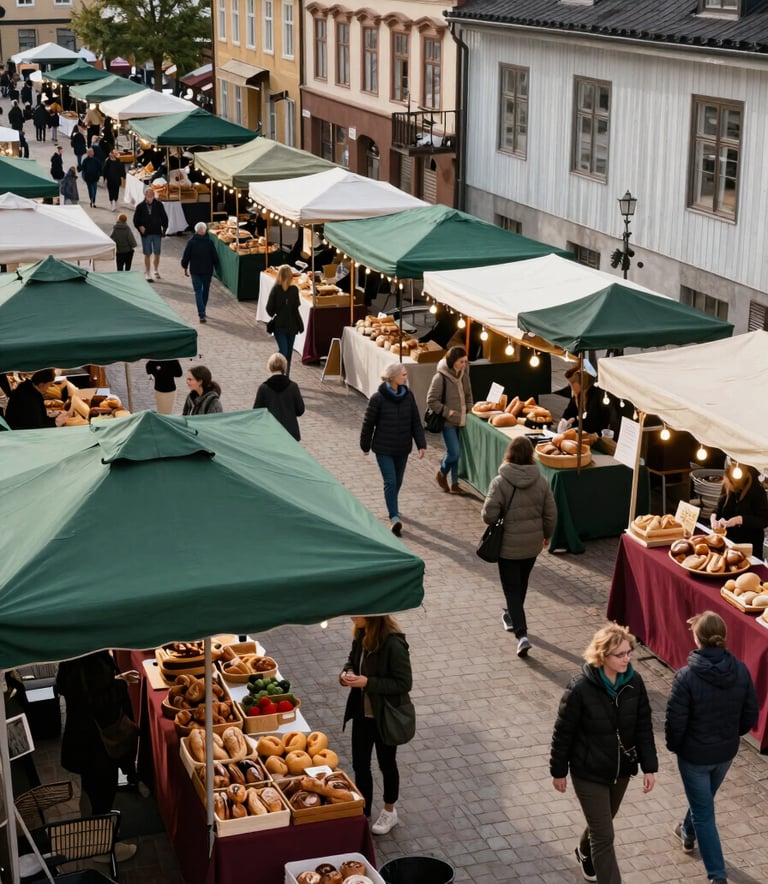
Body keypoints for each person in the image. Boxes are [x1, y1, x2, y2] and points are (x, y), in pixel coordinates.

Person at [550, 623, 658, 884]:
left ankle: (584, 852)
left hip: (620, 770)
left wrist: (650, 766)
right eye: (619, 654)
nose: (627, 658)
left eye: (628, 652)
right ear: (602, 656)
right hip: (588, 772)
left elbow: (644, 725)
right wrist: (558, 771)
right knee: (605, 836)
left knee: (603, 822)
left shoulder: (634, 682)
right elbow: (563, 732)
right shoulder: (579, 689)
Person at [665, 611, 757, 884]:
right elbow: (750, 713)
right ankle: (687, 833)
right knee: (702, 802)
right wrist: (732, 735)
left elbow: (675, 722)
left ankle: (717, 875)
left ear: (697, 638)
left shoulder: (686, 677)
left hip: (694, 756)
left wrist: (678, 747)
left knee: (704, 812)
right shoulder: (741, 669)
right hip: (725, 753)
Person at [56, 651, 141, 863]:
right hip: (95, 743)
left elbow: (73, 687)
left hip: (82, 738)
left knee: (90, 789)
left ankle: (88, 832)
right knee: (102, 792)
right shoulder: (89, 657)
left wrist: (116, 680)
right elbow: (100, 701)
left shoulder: (74, 655)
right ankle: (102, 849)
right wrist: (121, 686)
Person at [481, 436, 556, 656]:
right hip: (532, 546)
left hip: (508, 546)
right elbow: (551, 514)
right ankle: (513, 616)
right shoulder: (541, 481)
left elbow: (488, 515)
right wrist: (547, 535)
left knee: (512, 589)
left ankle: (521, 634)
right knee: (521, 584)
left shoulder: (499, 482)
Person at [340, 614, 413, 835]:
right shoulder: (361, 634)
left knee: (386, 764)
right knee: (360, 765)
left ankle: (390, 811)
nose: (352, 617)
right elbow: (352, 660)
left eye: (356, 613)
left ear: (371, 615)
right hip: (362, 714)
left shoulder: (393, 643)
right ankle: (364, 812)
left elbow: (404, 683)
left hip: (384, 717)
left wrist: (368, 683)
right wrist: (347, 673)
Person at [360, 362, 426, 536]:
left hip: (402, 448)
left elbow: (415, 422)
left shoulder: (408, 396)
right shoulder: (378, 399)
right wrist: (365, 446)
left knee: (398, 481)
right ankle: (394, 517)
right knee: (390, 481)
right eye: (403, 374)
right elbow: (368, 424)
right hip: (383, 449)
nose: (406, 377)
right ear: (393, 377)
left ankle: (392, 505)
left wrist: (421, 444)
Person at [426, 345, 473, 494]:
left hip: (462, 420)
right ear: (453, 361)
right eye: (461, 362)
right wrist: (447, 412)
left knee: (456, 454)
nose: (464, 365)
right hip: (448, 422)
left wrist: (469, 408)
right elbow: (431, 400)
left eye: (465, 361)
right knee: (454, 453)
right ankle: (441, 472)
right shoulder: (440, 378)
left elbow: (468, 394)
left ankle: (454, 483)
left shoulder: (463, 374)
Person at [710, 463, 768, 558]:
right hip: (728, 542)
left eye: (733, 483)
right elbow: (718, 508)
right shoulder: (727, 485)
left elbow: (764, 520)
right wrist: (713, 519)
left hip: (749, 546)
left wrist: (739, 520)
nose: (731, 487)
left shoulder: (758, 491)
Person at [253, 352, 305, 441]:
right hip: (290, 433)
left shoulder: (264, 388)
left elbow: (257, 412)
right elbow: (300, 410)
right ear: (284, 366)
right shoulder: (293, 386)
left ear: (269, 366)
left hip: (270, 432)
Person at [265, 264, 304, 375]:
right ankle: (283, 375)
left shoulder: (277, 290)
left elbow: (269, 310)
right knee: (286, 352)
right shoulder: (292, 290)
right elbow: (296, 305)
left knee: (286, 351)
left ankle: (284, 375)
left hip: (283, 326)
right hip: (289, 326)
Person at [5, 369, 72, 430]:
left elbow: (35, 418)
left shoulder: (28, 389)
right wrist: (56, 423)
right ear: (41, 384)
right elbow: (35, 427)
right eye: (50, 385)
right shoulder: (29, 398)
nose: (50, 388)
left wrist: (50, 416)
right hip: (19, 433)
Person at [181, 221, 220, 323]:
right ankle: (203, 310)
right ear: (205, 230)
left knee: (198, 291)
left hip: (195, 271)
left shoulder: (191, 243)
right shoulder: (210, 243)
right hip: (207, 271)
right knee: (205, 291)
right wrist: (216, 267)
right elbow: (215, 257)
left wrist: (184, 267)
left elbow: (186, 257)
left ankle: (201, 313)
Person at [558, 365, 610, 436]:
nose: (571, 387)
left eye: (572, 383)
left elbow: (591, 424)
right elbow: (569, 411)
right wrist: (564, 420)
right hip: (579, 434)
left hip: (595, 436)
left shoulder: (596, 395)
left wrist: (574, 424)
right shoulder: (577, 395)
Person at [133, 187, 168, 281]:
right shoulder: (140, 206)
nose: (149, 197)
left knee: (157, 252)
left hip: (157, 232)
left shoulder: (159, 204)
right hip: (146, 234)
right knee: (147, 253)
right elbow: (136, 220)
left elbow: (164, 217)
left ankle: (156, 270)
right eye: (148, 195)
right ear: (145, 196)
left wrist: (164, 229)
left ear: (153, 196)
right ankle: (147, 272)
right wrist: (140, 227)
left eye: (151, 195)